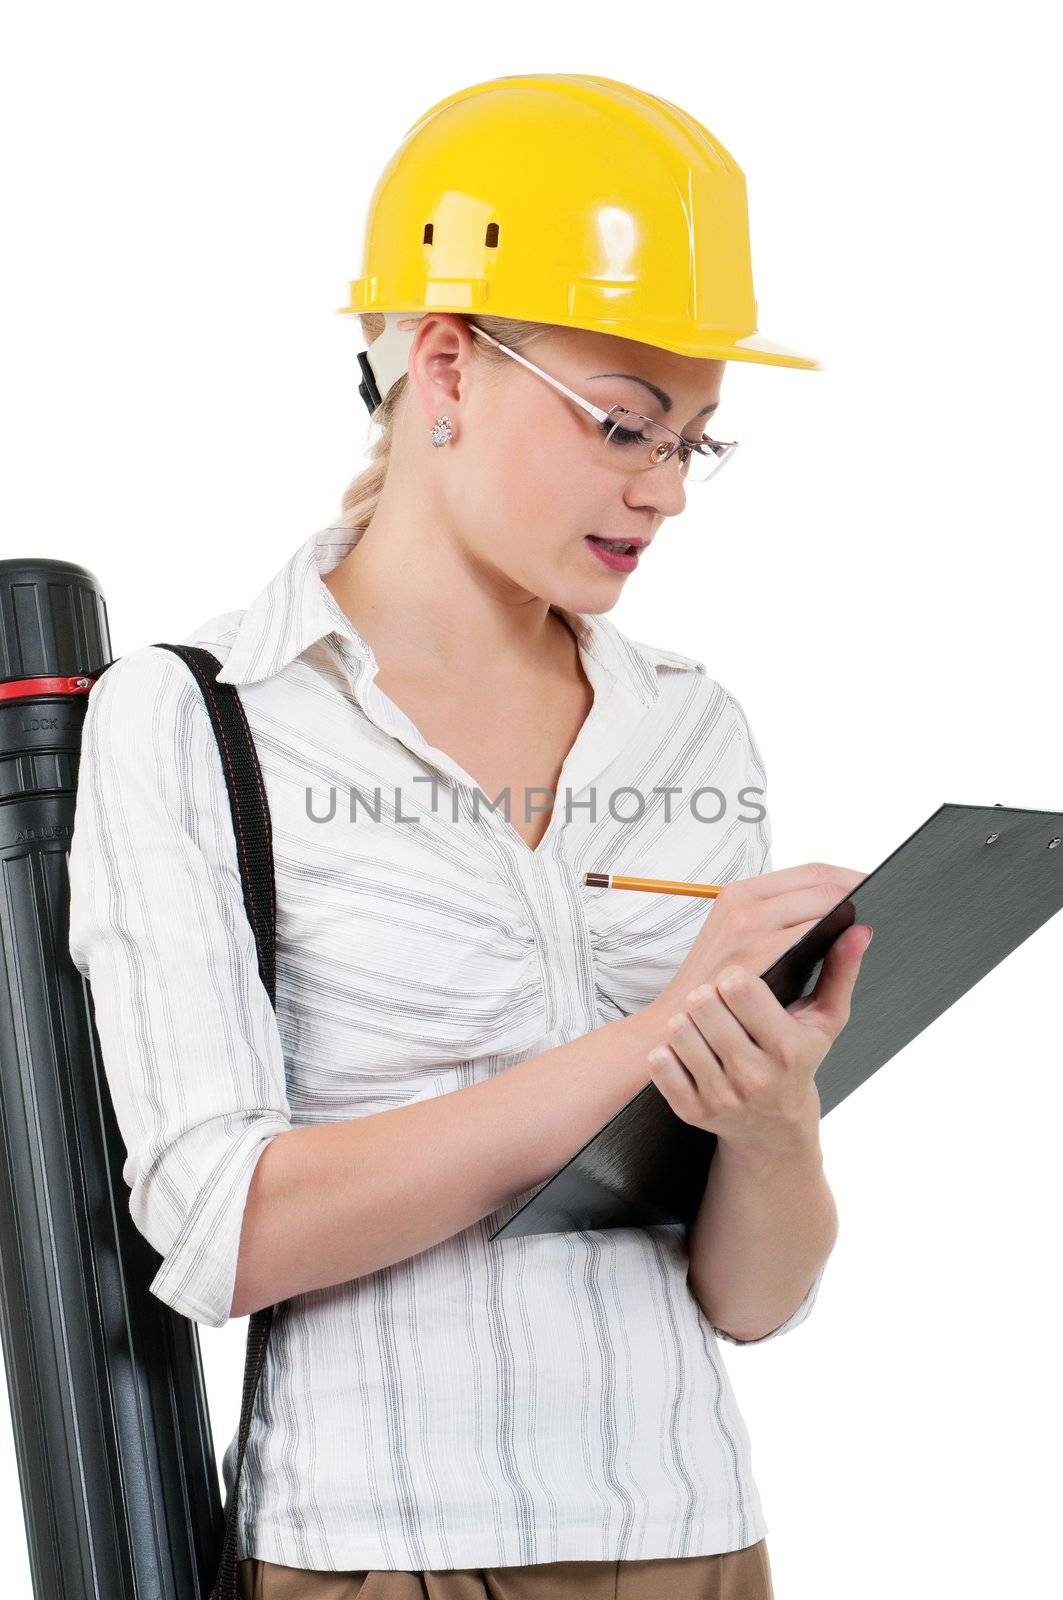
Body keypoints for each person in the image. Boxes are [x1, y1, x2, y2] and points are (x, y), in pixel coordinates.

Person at [66, 74, 871, 1600]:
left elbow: (750, 1301)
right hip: (379, 1558)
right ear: (444, 361)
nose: (665, 490)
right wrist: (653, 1039)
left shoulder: (692, 731)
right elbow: (223, 1228)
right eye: (628, 423)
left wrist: (769, 1116)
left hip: (700, 1542)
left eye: (697, 442)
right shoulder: (201, 719)